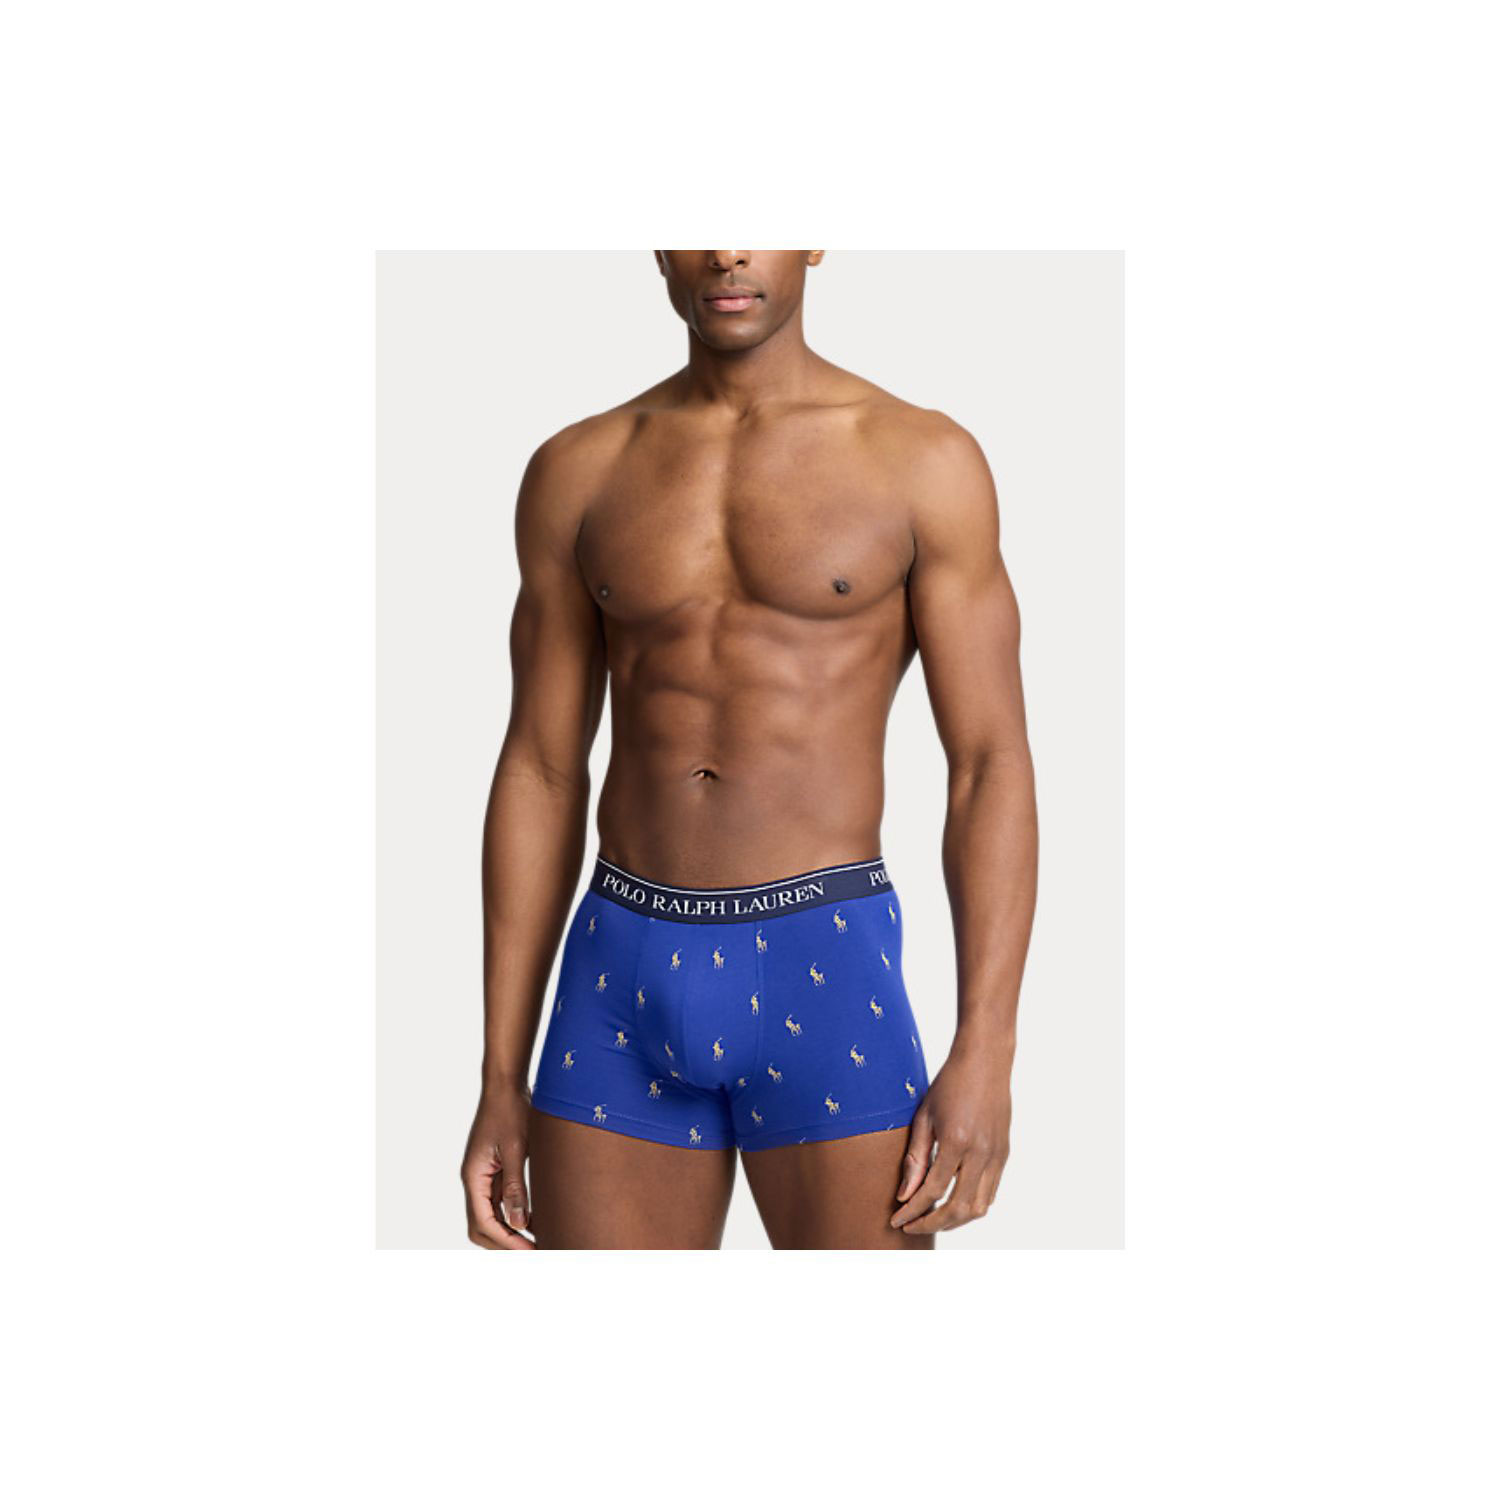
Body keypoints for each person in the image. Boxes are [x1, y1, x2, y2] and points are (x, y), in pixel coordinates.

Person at [461, 250, 1038, 1249]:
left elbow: (988, 764)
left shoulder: (921, 459)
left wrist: (988, 1048)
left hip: (828, 958)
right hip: (617, 972)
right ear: (656, 246)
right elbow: (541, 769)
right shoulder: (581, 467)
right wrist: (499, 1076)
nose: (727, 250)